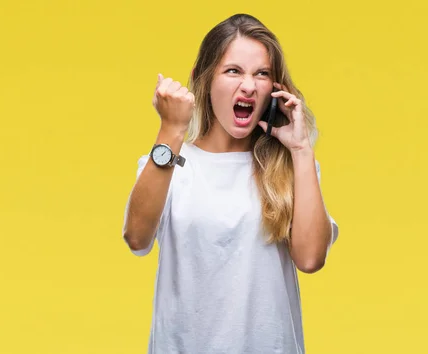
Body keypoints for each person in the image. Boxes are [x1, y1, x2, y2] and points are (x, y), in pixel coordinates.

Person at [122, 13, 339, 354]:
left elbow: (311, 259)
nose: (249, 86)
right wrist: (171, 130)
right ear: (204, 80)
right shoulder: (172, 165)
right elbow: (136, 238)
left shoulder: (290, 167)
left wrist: (300, 148)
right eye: (233, 71)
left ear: (274, 88)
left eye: (262, 73)